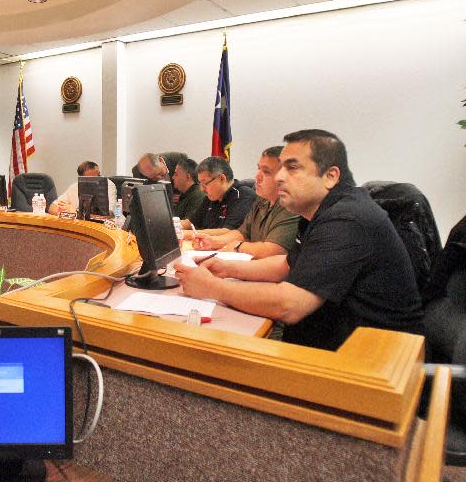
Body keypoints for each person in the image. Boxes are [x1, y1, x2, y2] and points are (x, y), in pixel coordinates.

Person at [174, 129, 424, 351]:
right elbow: (286, 266)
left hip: (368, 366)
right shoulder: (322, 211)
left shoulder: (348, 219)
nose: (280, 177)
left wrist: (212, 288)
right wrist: (225, 267)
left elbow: (289, 306)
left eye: (292, 168)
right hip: (332, 347)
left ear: (330, 176)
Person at [192, 146, 299, 259]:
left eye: (266, 172)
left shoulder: (290, 205)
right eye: (259, 169)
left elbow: (273, 251)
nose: (257, 176)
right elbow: (242, 234)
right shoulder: (262, 200)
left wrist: (238, 247)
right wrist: (213, 241)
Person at [182, 156, 256, 231]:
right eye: (200, 183)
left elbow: (228, 232)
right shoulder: (211, 198)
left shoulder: (243, 196)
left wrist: (189, 234)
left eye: (205, 183)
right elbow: (191, 223)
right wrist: (174, 227)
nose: (202, 189)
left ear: (222, 178)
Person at [49, 161, 117, 216]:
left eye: (98, 175)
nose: (99, 178)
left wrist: (76, 212)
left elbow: (109, 214)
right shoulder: (74, 186)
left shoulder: (109, 185)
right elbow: (52, 207)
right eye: (91, 178)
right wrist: (61, 211)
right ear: (82, 178)